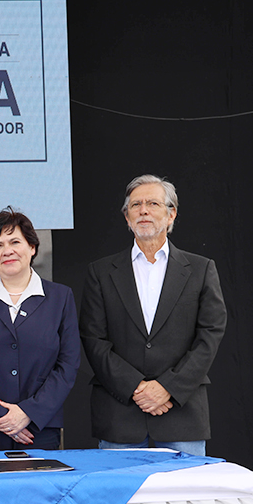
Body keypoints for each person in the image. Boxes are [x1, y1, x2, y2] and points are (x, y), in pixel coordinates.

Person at [80, 175, 226, 456]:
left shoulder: (200, 269)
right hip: (119, 413)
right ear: (127, 217)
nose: (143, 210)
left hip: (181, 412)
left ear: (171, 214)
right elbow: (92, 337)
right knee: (121, 500)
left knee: (185, 500)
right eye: (135, 205)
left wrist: (167, 388)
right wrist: (136, 387)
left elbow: (210, 333)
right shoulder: (100, 272)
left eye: (152, 203)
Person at [0, 209, 81, 451]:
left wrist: (28, 412)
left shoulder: (60, 297)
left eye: (15, 242)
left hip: (39, 425)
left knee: (37, 489)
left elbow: (68, 364)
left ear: (32, 247)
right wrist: (2, 415)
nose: (7, 250)